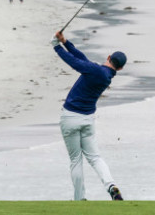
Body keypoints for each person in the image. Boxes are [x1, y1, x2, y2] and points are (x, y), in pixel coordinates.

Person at [51, 30, 126, 201]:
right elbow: (82, 59)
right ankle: (111, 186)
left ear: (108, 57)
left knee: (76, 160)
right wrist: (65, 42)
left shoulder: (96, 71)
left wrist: (56, 47)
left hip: (70, 117)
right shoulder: (103, 74)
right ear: (120, 68)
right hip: (87, 120)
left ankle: (79, 199)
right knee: (95, 157)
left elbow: (75, 63)